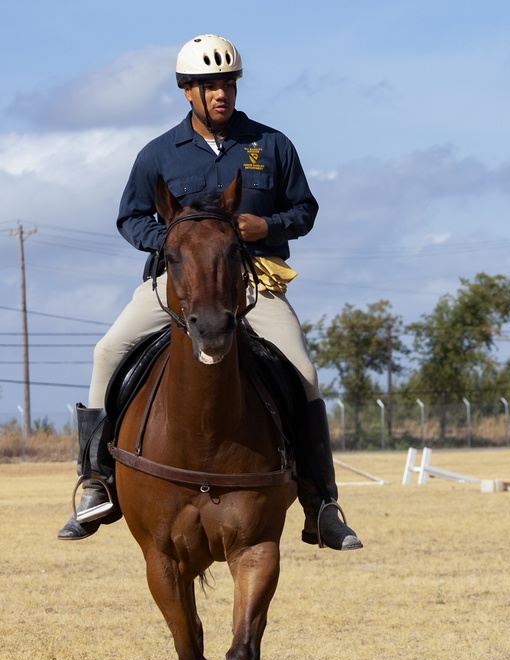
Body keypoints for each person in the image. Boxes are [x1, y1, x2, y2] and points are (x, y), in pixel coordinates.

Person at [57, 34, 362, 552]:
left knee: (304, 371)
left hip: (254, 277)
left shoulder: (272, 145)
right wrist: (178, 244)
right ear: (187, 92)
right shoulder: (157, 154)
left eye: (228, 83)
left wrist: (264, 226)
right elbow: (130, 218)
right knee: (106, 351)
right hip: (176, 284)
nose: (221, 93)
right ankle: (96, 482)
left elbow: (305, 210)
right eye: (209, 85)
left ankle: (322, 502)